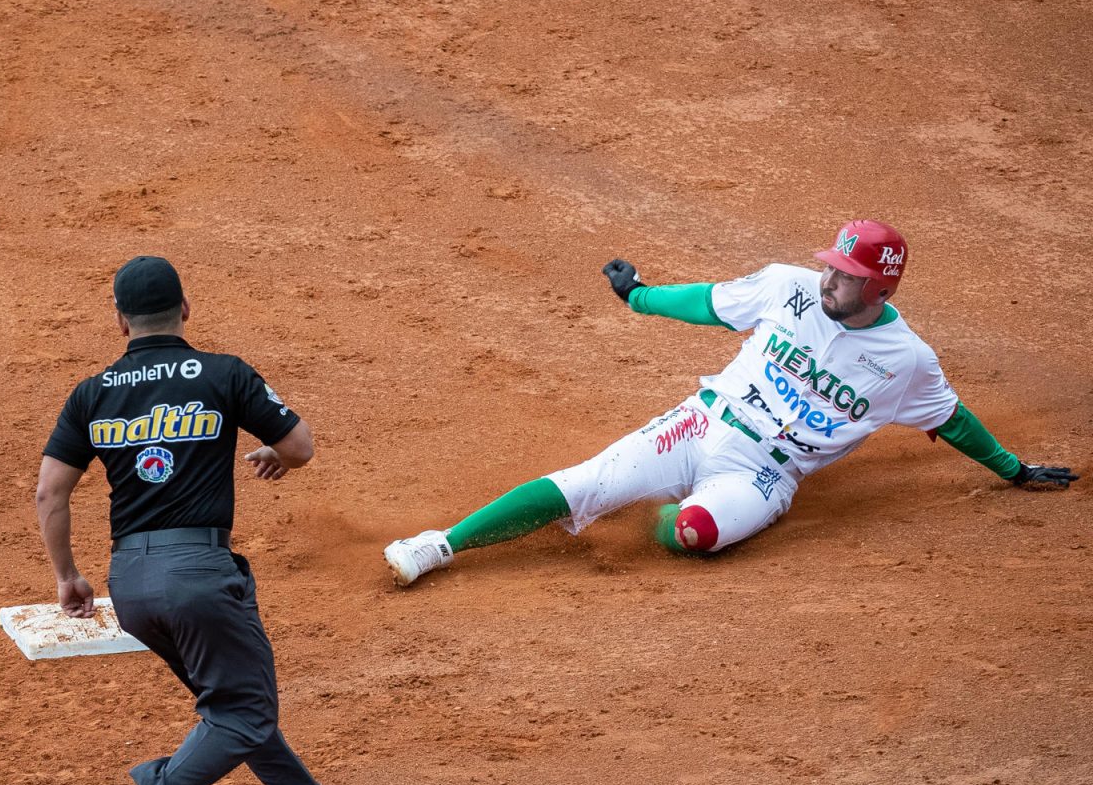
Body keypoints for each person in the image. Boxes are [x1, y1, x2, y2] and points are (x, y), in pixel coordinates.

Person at [384, 220, 1078, 586]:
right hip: (702, 421)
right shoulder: (789, 286)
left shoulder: (907, 362)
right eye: (833, 264)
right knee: (584, 480)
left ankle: (653, 522)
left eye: (848, 275)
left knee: (694, 534)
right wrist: (639, 297)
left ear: (882, 292)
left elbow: (950, 418)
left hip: (765, 476)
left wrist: (1012, 469)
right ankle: (441, 545)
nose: (830, 278)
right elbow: (714, 304)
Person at [35, 255, 373, 785]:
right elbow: (300, 447)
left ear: (119, 320)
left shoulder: (92, 392)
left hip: (130, 582)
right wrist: (273, 453)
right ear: (185, 309)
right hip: (199, 576)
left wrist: (68, 577)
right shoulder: (222, 374)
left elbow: (51, 494)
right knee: (243, 711)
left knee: (230, 704)